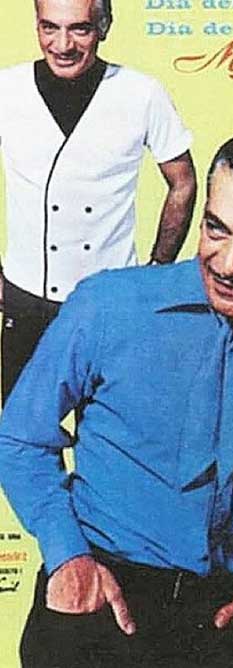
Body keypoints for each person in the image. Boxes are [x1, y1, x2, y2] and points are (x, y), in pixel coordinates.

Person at [0, 128, 233, 668]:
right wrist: (67, 557)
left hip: (217, 619)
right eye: (216, 229)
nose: (228, 263)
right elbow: (19, 436)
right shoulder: (108, 305)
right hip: (92, 596)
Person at [0, 0, 196, 399]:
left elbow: (183, 182)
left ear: (104, 26)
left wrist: (158, 271)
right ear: (36, 24)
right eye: (49, 28)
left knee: (107, 427)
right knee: (20, 427)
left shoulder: (142, 93)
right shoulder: (6, 89)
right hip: (23, 298)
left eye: (80, 29)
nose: (62, 45)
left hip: (111, 300)